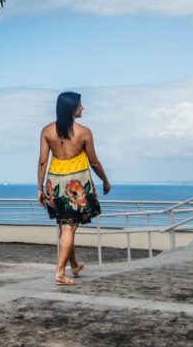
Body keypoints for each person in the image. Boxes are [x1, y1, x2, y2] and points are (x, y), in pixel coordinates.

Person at [37, 91, 111, 285]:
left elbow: (43, 162)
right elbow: (94, 163)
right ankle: (60, 273)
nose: (82, 108)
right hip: (76, 185)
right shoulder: (84, 132)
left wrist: (39, 188)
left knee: (66, 226)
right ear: (72, 108)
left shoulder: (47, 131)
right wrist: (105, 180)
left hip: (55, 184)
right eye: (80, 105)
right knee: (69, 227)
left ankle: (74, 264)